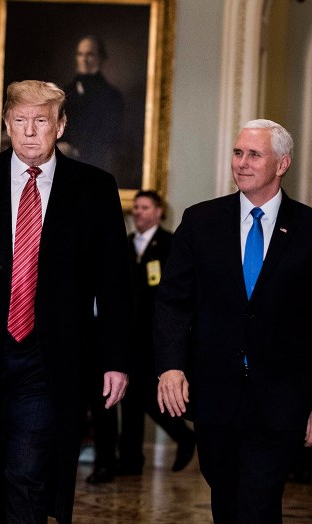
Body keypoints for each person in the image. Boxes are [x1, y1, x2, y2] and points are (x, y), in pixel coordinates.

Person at [0, 80, 130, 524]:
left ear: (60, 125)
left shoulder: (93, 188)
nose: (30, 131)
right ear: (6, 124)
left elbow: (114, 283)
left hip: (45, 356)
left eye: (41, 121)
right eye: (20, 121)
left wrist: (116, 359)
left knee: (28, 472)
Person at [155, 119, 312, 522]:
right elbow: (172, 302)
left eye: (253, 154)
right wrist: (171, 366)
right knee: (225, 496)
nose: (241, 163)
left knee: (258, 498)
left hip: (281, 397)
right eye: (238, 153)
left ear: (282, 164)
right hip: (214, 392)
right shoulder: (200, 221)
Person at [118, 189, 195, 476]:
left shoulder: (169, 244)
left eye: (145, 207)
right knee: (131, 397)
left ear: (159, 212)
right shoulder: (125, 245)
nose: (138, 212)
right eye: (135, 207)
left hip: (155, 336)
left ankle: (184, 437)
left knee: (148, 395)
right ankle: (130, 458)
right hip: (129, 335)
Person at [59, 35, 124, 176]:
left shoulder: (112, 96)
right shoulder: (63, 93)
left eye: (89, 55)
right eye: (80, 54)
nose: (84, 59)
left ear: (100, 58)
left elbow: (109, 137)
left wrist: (76, 151)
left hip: (95, 166)